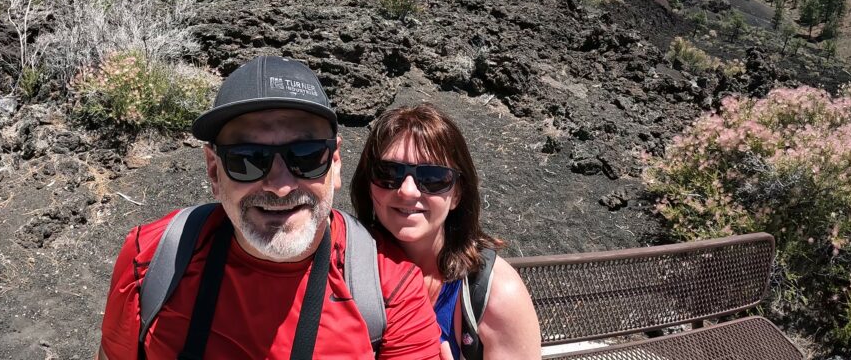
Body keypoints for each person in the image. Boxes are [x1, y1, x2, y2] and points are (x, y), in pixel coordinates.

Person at [98, 55, 441, 360]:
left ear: (334, 163)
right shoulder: (151, 259)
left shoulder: (389, 290)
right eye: (247, 160)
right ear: (214, 171)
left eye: (306, 157)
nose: (280, 186)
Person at [350, 104, 542, 360]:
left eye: (433, 178)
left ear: (457, 194)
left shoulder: (495, 295)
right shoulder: (343, 271)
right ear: (368, 184)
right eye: (389, 173)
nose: (407, 191)